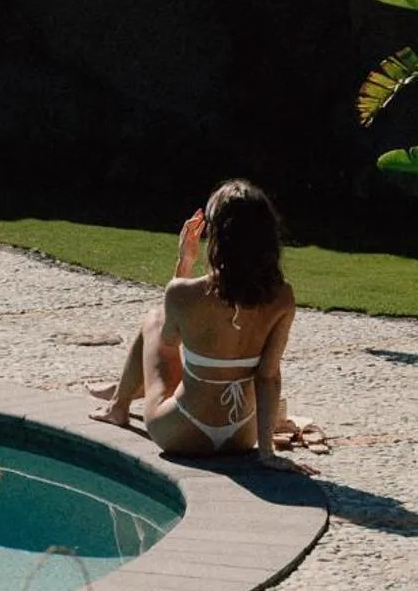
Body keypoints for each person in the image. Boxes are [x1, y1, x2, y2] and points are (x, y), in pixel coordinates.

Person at [89, 180, 296, 462]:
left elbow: (169, 340)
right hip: (242, 435)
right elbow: (268, 376)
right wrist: (267, 453)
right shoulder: (283, 296)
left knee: (155, 319)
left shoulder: (183, 292)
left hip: (182, 432)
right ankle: (121, 393)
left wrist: (184, 262)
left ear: (218, 236)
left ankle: (118, 406)